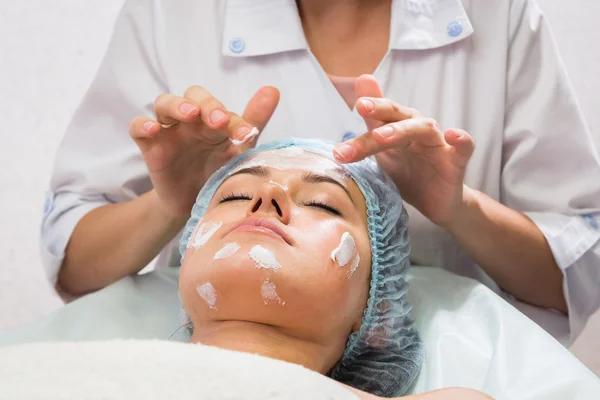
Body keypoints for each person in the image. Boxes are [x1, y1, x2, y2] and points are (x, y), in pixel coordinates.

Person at [42, 0, 600, 344]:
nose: (265, 205)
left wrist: (458, 208)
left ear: (370, 325)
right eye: (232, 197)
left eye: (325, 204)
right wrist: (171, 204)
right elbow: (76, 266)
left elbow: (574, 275)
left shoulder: (499, 14)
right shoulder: (169, 13)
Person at [176, 138, 491, 399]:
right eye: (235, 196)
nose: (266, 195)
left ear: (375, 313)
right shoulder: (125, 369)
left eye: (321, 203)